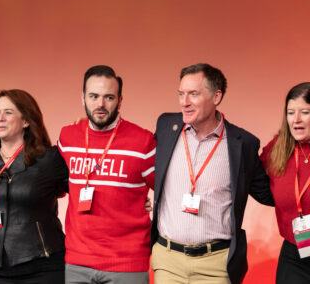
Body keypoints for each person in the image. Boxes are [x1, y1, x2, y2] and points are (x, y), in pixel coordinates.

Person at [151, 63, 274, 284]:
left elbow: (269, 194)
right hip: (168, 262)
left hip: (215, 266)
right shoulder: (166, 126)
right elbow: (139, 160)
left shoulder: (242, 143)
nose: (184, 102)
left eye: (193, 94)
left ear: (216, 96)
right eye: (181, 94)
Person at [58, 65, 156, 284]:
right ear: (82, 98)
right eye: (93, 96)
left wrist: (146, 201)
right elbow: (51, 180)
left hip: (126, 264)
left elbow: (169, 190)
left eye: (109, 97)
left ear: (120, 100)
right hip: (77, 262)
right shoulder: (67, 137)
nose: (100, 104)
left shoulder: (143, 141)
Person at [0, 89, 68, 284]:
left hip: (41, 265)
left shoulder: (48, 158)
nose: (0, 118)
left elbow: (79, 189)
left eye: (8, 112)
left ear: (26, 121)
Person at [260, 82, 310, 284]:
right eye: (291, 112)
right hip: (295, 252)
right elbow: (249, 175)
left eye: (305, 112)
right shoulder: (279, 147)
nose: (296, 120)